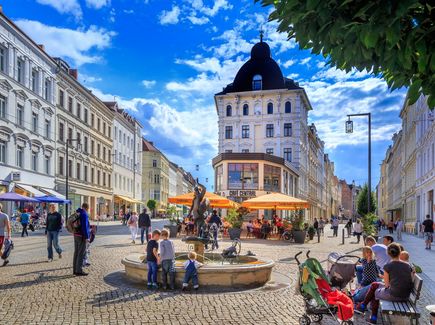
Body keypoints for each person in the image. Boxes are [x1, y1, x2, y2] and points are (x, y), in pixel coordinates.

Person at [357, 243, 413, 324]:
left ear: (388, 254)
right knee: (374, 284)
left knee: (375, 292)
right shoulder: (408, 265)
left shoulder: (388, 266)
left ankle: (372, 316)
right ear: (399, 252)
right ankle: (363, 305)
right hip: (406, 296)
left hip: (395, 295)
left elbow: (386, 285)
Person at [73, 203, 90, 276]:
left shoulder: (77, 212)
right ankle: (79, 271)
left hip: (75, 234)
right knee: (81, 253)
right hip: (81, 236)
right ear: (87, 208)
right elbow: (85, 227)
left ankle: (75, 269)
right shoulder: (84, 214)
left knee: (76, 253)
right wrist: (86, 237)